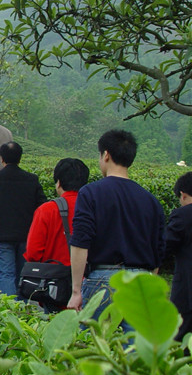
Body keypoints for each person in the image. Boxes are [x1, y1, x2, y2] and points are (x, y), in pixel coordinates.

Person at [67, 130, 165, 324]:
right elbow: (159, 250)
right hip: (141, 282)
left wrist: (76, 290)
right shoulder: (151, 201)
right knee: (135, 342)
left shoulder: (90, 193)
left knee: (98, 340)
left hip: (103, 280)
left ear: (106, 155)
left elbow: (80, 242)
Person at [0, 141, 47, 297]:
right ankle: (22, 305)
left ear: (2, 158)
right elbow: (42, 208)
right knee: (23, 273)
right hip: (26, 234)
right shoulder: (31, 179)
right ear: (20, 158)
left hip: (2, 234)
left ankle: (11, 307)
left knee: (6, 273)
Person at [24, 158, 90, 312]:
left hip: (55, 288)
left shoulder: (46, 210)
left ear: (58, 183)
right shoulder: (94, 208)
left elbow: (33, 252)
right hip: (89, 286)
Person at [165, 172, 192, 342]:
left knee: (178, 338)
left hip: (187, 290)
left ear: (183, 194)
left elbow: (165, 246)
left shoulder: (183, 215)